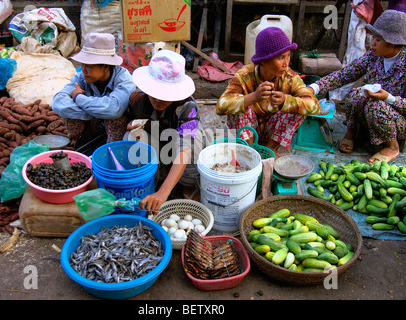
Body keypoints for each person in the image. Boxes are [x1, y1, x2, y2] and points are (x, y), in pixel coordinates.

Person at [308, 10, 406, 163]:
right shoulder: (373, 57)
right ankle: (350, 134)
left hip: (397, 118)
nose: (372, 43)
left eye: (378, 40)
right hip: (373, 110)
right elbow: (345, 74)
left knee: (377, 106)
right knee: (355, 95)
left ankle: (392, 147)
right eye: (373, 37)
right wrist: (315, 87)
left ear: (393, 44)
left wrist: (388, 98)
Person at [216, 27, 321, 157]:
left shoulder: (290, 78)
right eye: (281, 57)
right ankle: (250, 151)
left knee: (300, 107)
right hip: (249, 130)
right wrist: (253, 97)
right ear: (264, 60)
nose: (286, 63)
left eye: (288, 56)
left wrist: (285, 101)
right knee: (238, 103)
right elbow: (221, 106)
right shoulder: (244, 75)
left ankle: (270, 151)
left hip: (273, 132)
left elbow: (314, 106)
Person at [125, 50, 204, 214]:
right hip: (157, 142)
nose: (158, 99)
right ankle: (149, 180)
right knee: (130, 137)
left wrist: (164, 192)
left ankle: (186, 185)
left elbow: (185, 149)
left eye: (165, 94)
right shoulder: (138, 99)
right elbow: (133, 124)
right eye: (155, 92)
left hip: (177, 144)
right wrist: (133, 126)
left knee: (194, 146)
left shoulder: (187, 107)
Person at [52, 32, 136, 147]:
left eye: (89, 66)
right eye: (83, 64)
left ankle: (113, 150)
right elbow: (58, 102)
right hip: (94, 125)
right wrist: (96, 113)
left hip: (120, 129)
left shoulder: (124, 80)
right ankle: (79, 144)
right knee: (68, 114)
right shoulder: (82, 77)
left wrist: (78, 98)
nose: (84, 70)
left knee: (115, 118)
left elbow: (114, 109)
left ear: (106, 66)